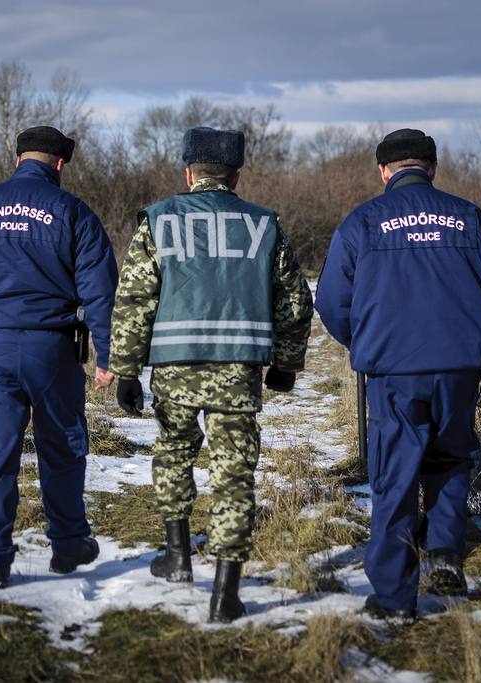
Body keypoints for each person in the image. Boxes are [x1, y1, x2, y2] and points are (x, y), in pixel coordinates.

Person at [315, 129, 481, 625]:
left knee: (395, 473)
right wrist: (474, 338)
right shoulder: (470, 216)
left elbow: (330, 301)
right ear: (432, 167)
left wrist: (365, 344)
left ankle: (393, 598)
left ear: (384, 171)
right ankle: (447, 556)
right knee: (452, 456)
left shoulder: (363, 221)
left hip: (393, 370)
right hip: (460, 367)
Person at [109, 127, 313, 623]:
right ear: (237, 175)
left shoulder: (157, 220)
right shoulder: (264, 224)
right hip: (237, 369)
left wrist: (127, 370)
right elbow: (294, 301)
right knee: (234, 474)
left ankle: (177, 557)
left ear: (188, 172)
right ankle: (226, 593)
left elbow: (134, 298)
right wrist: (285, 364)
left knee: (174, 453)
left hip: (174, 368)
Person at [0, 126, 118, 589]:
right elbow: (100, 291)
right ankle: (68, 544)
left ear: (18, 159)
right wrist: (109, 355)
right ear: (60, 163)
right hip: (51, 348)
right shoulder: (72, 211)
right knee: (63, 447)